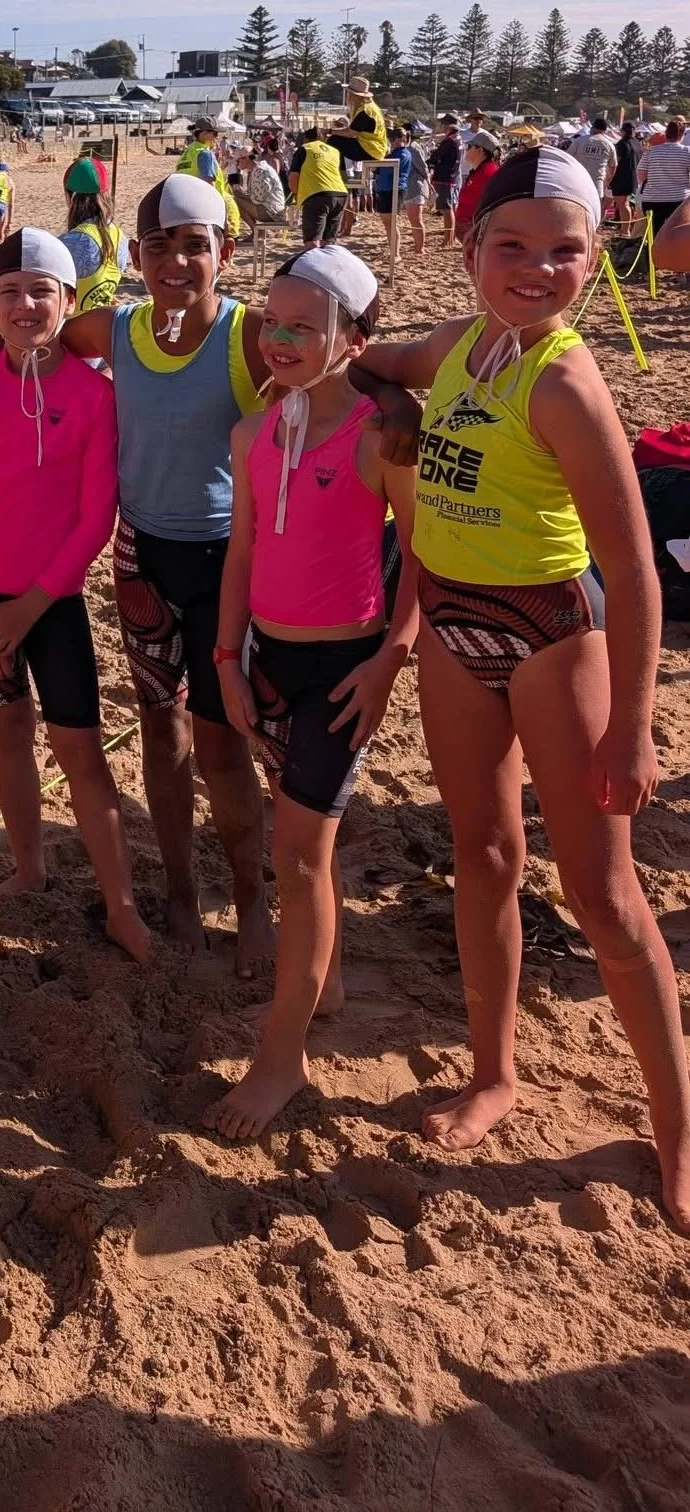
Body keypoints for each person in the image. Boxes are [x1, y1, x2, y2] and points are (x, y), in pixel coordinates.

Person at [0, 173, 419, 973]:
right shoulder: (116, 328)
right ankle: (176, 893)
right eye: (159, 246)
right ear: (135, 255)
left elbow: (338, 350)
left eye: (194, 245)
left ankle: (251, 900)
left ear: (224, 253)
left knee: (223, 743)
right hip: (142, 559)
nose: (175, 262)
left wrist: (395, 401)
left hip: (226, 563)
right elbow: (31, 330)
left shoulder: (247, 332)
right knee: (160, 734)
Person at [361, 147, 690, 1227]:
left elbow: (633, 571)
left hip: (552, 636)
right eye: (513, 245)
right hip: (454, 625)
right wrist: (382, 400)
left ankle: (678, 1132)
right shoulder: (460, 343)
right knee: (485, 857)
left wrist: (635, 727)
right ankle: (494, 1072)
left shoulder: (563, 381)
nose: (538, 268)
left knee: (605, 897)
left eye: (564, 251)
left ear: (595, 260)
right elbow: (373, 360)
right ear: (471, 251)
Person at [207, 249, 418, 1137]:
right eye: (272, 322)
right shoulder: (253, 433)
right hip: (267, 659)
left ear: (354, 340)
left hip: (343, 670)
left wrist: (390, 660)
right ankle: (319, 981)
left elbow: (420, 561)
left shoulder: (378, 437)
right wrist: (226, 659)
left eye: (305, 326)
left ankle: (282, 1057)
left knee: (296, 854)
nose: (281, 339)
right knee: (301, 843)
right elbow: (243, 552)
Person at [0, 228, 150, 963]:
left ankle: (121, 905)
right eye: (9, 292)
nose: (25, 305)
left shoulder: (95, 395)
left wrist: (28, 606)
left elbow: (96, 518)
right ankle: (28, 868)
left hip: (51, 604)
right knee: (7, 732)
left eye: (41, 292)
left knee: (80, 748)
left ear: (68, 299)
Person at [60, 158, 129, 310]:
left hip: (74, 323)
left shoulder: (70, 242)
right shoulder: (121, 238)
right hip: (103, 322)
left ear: (72, 197)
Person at [290, 125, 348, 247]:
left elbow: (293, 178)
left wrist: (297, 194)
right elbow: (343, 176)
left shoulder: (304, 149)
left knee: (312, 242)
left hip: (317, 194)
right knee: (329, 242)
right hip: (340, 194)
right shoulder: (335, 151)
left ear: (306, 139)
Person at [635, 118, 690, 236]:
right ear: (681, 135)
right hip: (678, 200)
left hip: (652, 199)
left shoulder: (651, 151)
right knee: (676, 234)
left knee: (654, 234)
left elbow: (641, 173)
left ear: (666, 134)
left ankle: (653, 248)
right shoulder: (687, 152)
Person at [369, 126, 416, 264]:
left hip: (395, 188)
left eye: (392, 138)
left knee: (392, 221)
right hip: (385, 188)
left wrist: (381, 161)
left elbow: (388, 169)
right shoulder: (395, 153)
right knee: (387, 221)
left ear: (397, 139)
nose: (391, 141)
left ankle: (396, 253)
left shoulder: (403, 153)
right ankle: (392, 251)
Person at [453, 129, 501, 235]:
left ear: (480, 150)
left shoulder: (488, 173)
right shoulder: (479, 171)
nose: (466, 150)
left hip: (477, 233)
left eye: (469, 147)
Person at [234, 147, 288, 237]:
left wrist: (242, 195)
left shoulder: (260, 170)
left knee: (235, 201)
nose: (237, 164)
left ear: (246, 158)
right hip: (271, 208)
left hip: (272, 212)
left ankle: (256, 232)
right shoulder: (257, 169)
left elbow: (259, 199)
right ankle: (256, 231)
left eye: (238, 161)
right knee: (237, 197)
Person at [429, 116, 463, 246]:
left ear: (448, 126)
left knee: (447, 209)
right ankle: (451, 238)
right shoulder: (458, 139)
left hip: (445, 178)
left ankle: (448, 239)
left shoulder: (449, 141)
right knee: (450, 208)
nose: (441, 126)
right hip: (452, 177)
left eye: (442, 124)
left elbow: (436, 156)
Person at [567, 115, 616, 199]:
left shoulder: (579, 141)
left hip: (578, 183)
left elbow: (567, 158)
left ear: (593, 128)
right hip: (597, 185)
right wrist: (606, 183)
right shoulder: (609, 145)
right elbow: (613, 167)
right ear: (604, 131)